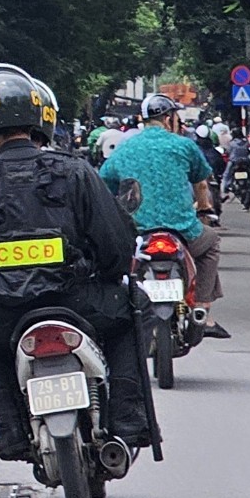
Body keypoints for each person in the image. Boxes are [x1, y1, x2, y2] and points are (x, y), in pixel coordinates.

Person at [0, 63, 151, 463]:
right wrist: (110, 276)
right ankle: (128, 422)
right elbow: (115, 244)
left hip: (3, 313)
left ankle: (10, 427)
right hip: (78, 301)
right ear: (38, 119)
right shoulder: (75, 171)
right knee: (138, 311)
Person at [102, 93, 230, 336]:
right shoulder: (183, 145)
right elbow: (201, 183)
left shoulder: (124, 149)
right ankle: (202, 307)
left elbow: (104, 184)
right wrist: (204, 210)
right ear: (170, 118)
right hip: (182, 230)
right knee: (211, 242)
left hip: (138, 233)